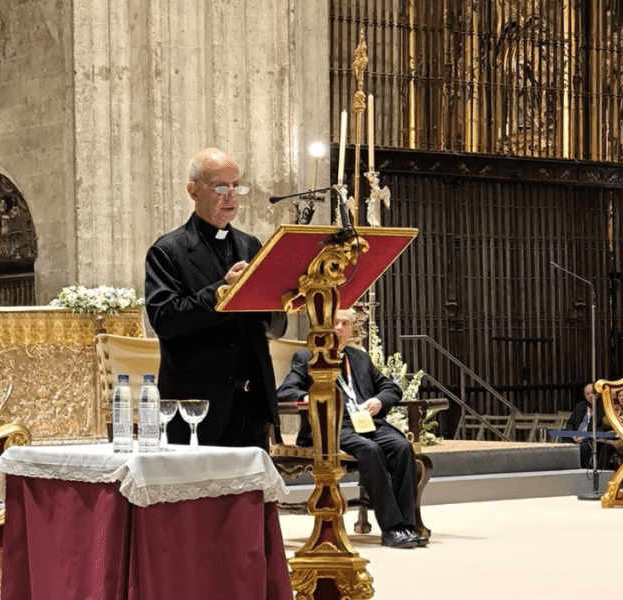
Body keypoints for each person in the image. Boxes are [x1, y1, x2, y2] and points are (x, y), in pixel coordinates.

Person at [144, 147, 287, 448]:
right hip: (198, 408)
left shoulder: (251, 246)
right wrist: (222, 291)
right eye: (221, 187)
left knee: (250, 495)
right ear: (193, 191)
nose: (231, 195)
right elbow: (165, 320)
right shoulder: (168, 251)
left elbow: (274, 327)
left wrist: (282, 296)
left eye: (236, 186)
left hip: (252, 405)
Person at [276, 308, 427, 549]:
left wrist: (379, 401)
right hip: (330, 428)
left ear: (350, 329)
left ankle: (406, 526)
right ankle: (391, 529)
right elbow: (286, 392)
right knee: (370, 450)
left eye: (345, 323)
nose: (339, 327)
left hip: (367, 423)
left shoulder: (359, 358)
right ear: (323, 327)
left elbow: (391, 388)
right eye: (334, 322)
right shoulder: (306, 357)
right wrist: (310, 397)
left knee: (402, 447)